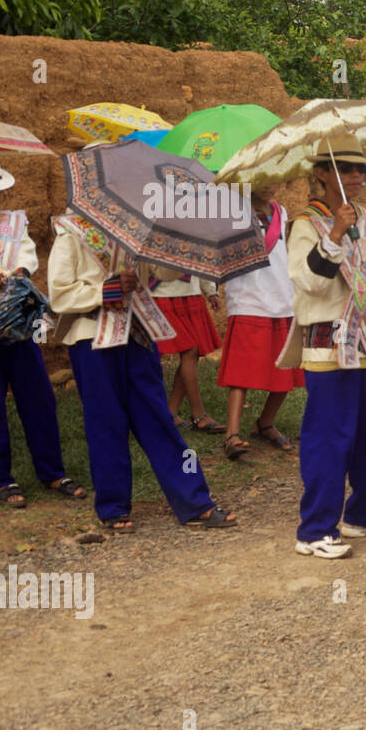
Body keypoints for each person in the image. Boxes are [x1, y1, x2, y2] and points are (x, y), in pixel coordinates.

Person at [47, 213, 236, 532]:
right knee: (106, 423)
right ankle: (113, 506)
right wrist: (107, 290)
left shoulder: (135, 230)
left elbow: (163, 273)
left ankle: (196, 500)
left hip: (136, 334)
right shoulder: (72, 233)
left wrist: (176, 240)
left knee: (159, 419)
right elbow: (59, 293)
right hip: (92, 338)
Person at [281, 134, 366, 559]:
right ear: (322, 172)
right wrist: (333, 233)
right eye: (348, 168)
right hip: (329, 345)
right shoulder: (305, 224)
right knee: (330, 437)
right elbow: (308, 282)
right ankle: (314, 530)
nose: (356, 176)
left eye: (362, 169)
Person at [0, 154, 86, 509]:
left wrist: (17, 272)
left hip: (18, 325)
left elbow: (28, 257)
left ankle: (52, 471)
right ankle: (0, 479)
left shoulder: (13, 225)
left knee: (38, 397)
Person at [216, 185, 303, 461]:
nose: (270, 186)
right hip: (248, 296)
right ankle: (232, 433)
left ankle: (265, 422)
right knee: (242, 369)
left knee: (285, 366)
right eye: (264, 179)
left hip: (282, 296)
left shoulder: (281, 212)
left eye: (274, 180)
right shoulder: (234, 209)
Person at [152, 272, 225, 433]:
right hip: (160, 293)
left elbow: (201, 256)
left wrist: (210, 290)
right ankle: (197, 415)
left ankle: (171, 413)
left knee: (192, 352)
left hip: (189, 293)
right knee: (160, 353)